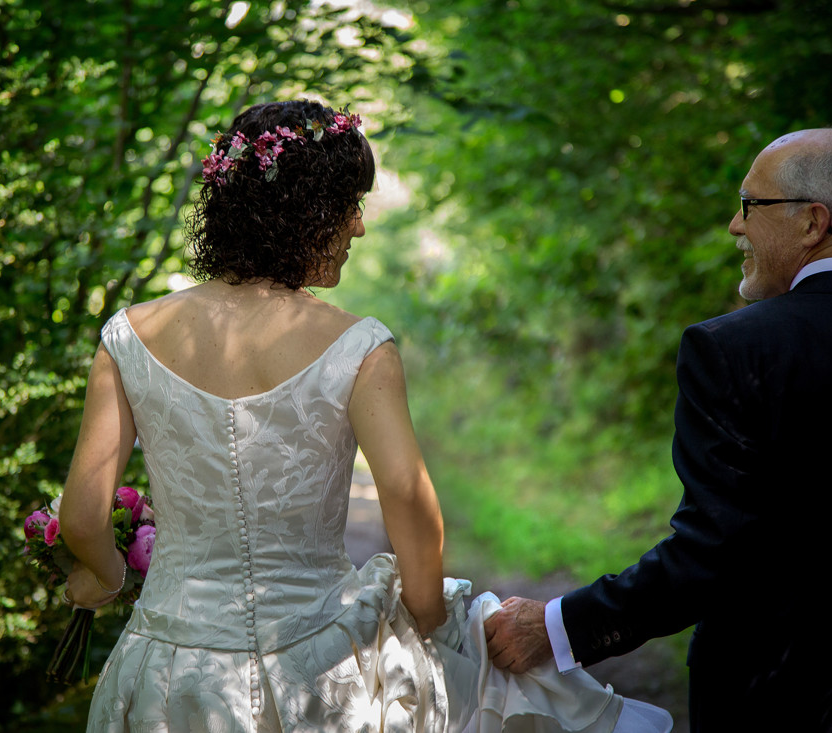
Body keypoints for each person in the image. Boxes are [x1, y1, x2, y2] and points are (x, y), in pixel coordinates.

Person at [57, 99, 672, 732]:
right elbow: (406, 497)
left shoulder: (128, 336)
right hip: (319, 671)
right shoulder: (359, 346)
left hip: (168, 675)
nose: (358, 227)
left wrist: (107, 576)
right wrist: (429, 619)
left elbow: (81, 517)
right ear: (304, 210)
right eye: (349, 204)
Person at [484, 127, 832, 733]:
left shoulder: (735, 348)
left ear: (812, 222)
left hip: (781, 697)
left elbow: (715, 550)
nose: (735, 225)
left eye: (751, 204)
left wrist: (558, 627)